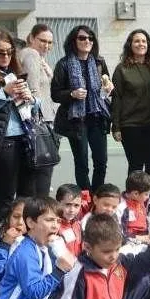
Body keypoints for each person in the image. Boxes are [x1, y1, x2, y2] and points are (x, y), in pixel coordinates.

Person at [0, 26, 48, 228]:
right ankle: (2, 238)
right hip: (3, 142)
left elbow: (32, 107)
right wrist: (4, 92)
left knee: (28, 195)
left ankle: (23, 236)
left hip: (26, 138)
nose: (5, 56)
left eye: (9, 52)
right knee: (5, 196)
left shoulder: (15, 72)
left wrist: (32, 99)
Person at [0, 197, 75, 299]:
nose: (55, 226)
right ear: (31, 223)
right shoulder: (25, 252)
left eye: (58, 221)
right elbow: (34, 293)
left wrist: (62, 252)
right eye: (49, 220)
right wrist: (59, 271)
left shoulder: (44, 246)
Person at [51, 25, 113, 191]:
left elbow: (106, 87)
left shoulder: (99, 62)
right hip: (76, 121)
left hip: (98, 118)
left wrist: (108, 89)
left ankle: (97, 195)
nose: (87, 41)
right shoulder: (64, 64)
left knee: (101, 161)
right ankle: (85, 197)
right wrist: (72, 94)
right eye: (82, 38)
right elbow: (55, 94)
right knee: (82, 163)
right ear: (74, 41)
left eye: (90, 38)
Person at [111, 29, 150, 177]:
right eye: (136, 41)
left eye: (143, 41)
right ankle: (133, 198)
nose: (140, 44)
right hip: (131, 125)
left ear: (148, 45)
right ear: (130, 45)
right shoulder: (121, 69)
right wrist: (116, 126)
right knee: (136, 165)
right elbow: (116, 98)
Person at [17, 23, 57, 126]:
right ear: (31, 38)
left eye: (50, 42)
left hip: (45, 116)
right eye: (42, 41)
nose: (46, 46)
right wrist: (37, 118)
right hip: (40, 119)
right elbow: (33, 89)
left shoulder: (39, 58)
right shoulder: (31, 54)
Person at [55, 183, 84, 257]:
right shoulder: (54, 226)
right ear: (58, 203)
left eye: (76, 205)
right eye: (68, 205)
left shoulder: (78, 225)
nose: (72, 210)